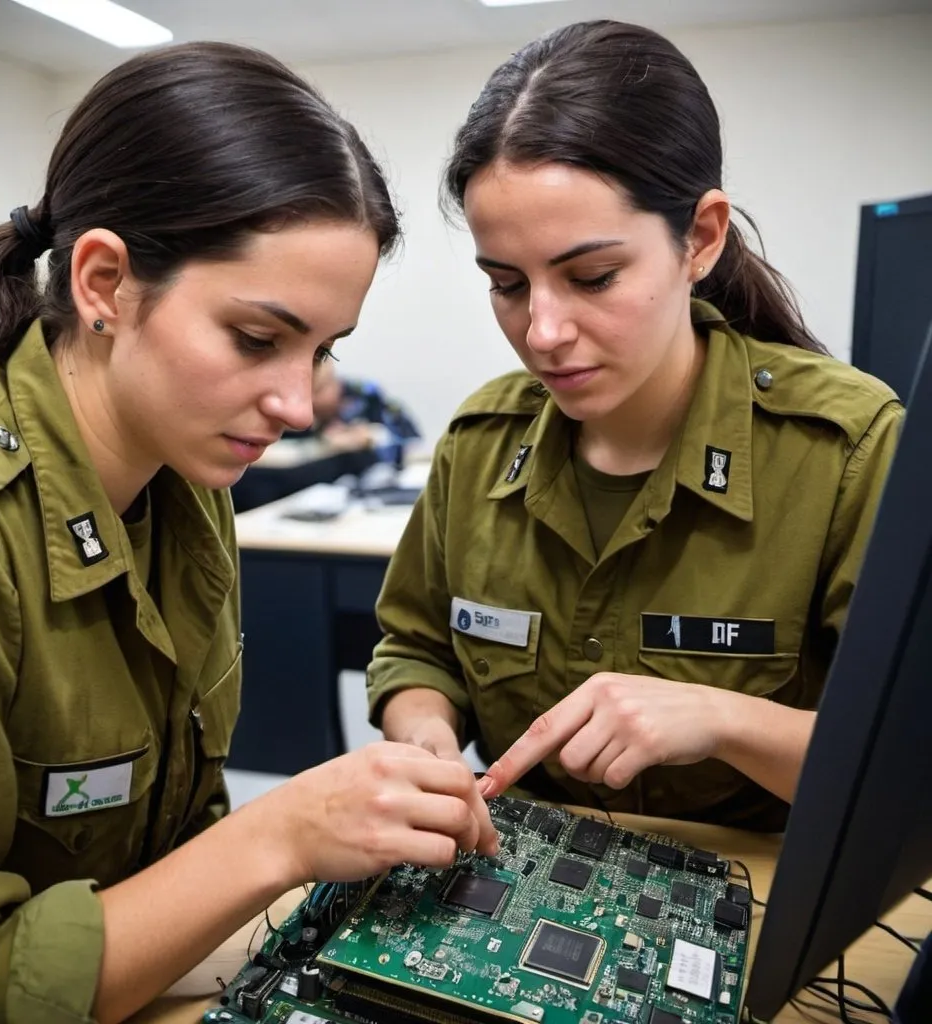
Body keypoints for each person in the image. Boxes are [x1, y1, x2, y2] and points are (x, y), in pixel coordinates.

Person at [0, 43, 496, 1024]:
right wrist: (283, 834)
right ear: (103, 283)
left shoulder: (188, 476)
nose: (298, 404)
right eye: (258, 339)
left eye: (322, 349)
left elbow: (166, 845)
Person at [367, 20, 902, 833]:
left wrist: (723, 721)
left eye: (593, 277)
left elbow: (905, 767)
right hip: (516, 899)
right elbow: (417, 652)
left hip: (742, 898)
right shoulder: (479, 446)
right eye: (508, 283)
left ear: (701, 238)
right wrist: (429, 741)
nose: (542, 331)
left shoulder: (847, 453)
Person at [300, 356, 421, 453]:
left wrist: (369, 437)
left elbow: (410, 440)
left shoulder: (366, 395)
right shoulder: (295, 410)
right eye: (304, 393)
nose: (311, 400)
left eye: (317, 390)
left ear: (333, 382)